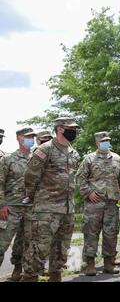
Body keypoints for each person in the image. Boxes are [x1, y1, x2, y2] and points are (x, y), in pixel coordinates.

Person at [22, 117, 81, 282]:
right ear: (60, 129)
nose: (74, 132)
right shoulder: (45, 149)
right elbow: (30, 176)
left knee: (61, 249)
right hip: (46, 209)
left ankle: (56, 277)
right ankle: (29, 278)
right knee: (39, 248)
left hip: (68, 209)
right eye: (71, 128)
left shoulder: (73, 152)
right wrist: (35, 196)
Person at [75, 131, 120, 276]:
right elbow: (80, 178)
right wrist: (88, 192)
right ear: (97, 143)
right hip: (94, 203)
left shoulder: (117, 158)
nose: (105, 142)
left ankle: (108, 264)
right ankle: (89, 264)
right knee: (91, 233)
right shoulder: (89, 159)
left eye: (107, 140)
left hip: (112, 203)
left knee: (111, 234)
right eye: (102, 141)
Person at [0, 128, 36, 281]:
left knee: (28, 243)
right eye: (27, 136)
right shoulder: (8, 159)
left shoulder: (38, 159)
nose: (31, 139)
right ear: (18, 138)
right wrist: (2, 204)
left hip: (31, 208)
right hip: (11, 208)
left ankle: (20, 271)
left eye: (32, 136)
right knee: (2, 244)